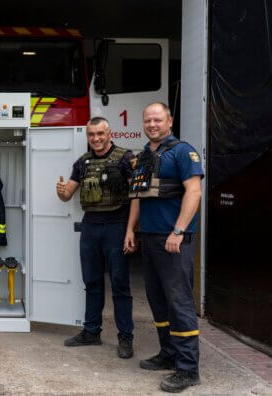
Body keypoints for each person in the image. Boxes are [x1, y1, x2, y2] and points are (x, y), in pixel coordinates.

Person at [126, 102, 203, 393]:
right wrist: (130, 231)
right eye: (148, 120)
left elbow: (194, 192)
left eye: (157, 119)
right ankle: (168, 354)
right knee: (157, 299)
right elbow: (138, 195)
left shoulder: (184, 151)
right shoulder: (145, 155)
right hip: (150, 237)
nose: (152, 124)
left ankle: (188, 369)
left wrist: (178, 231)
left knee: (179, 301)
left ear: (169, 121)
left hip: (174, 240)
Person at [56, 116, 138, 359]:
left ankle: (125, 337)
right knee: (91, 282)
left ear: (109, 134)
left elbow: (137, 196)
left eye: (100, 134)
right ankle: (91, 331)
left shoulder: (125, 158)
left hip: (116, 225)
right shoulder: (82, 162)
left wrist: (131, 230)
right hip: (91, 225)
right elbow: (68, 193)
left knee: (120, 284)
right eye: (92, 135)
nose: (96, 139)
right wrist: (61, 192)